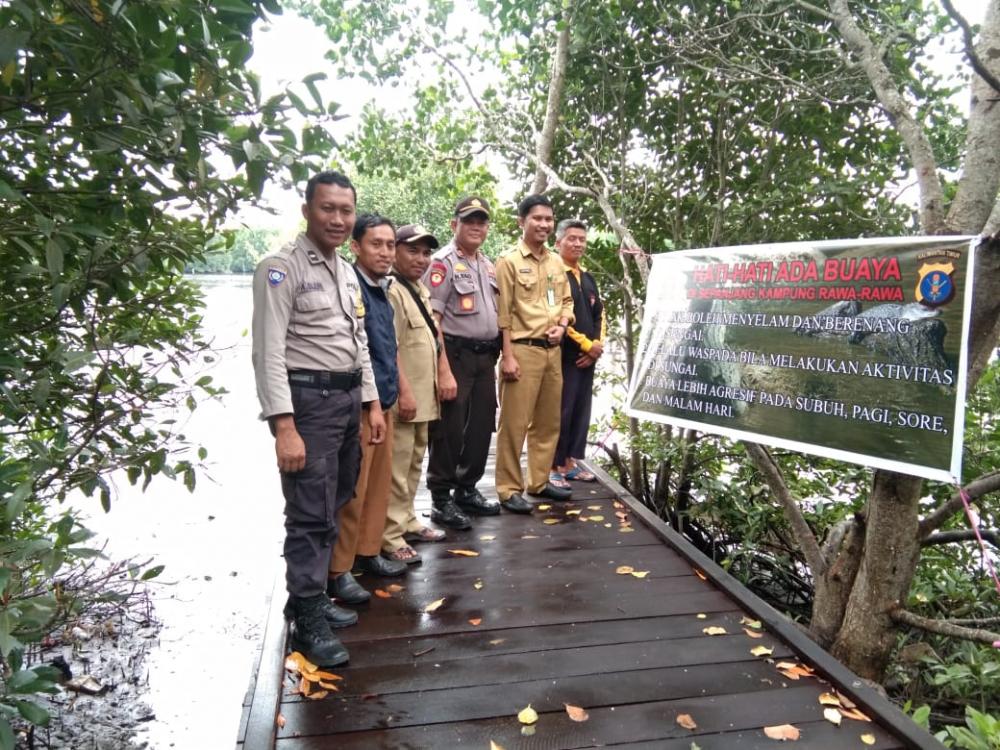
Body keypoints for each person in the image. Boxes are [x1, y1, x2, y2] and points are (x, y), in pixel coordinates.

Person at [251, 170, 382, 667]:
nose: (338, 218)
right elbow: (267, 354)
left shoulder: (345, 270)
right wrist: (284, 427)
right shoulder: (280, 268)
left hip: (347, 401)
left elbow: (359, 343)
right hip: (307, 404)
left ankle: (308, 595)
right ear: (307, 209)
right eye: (328, 208)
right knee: (309, 511)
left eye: (346, 210)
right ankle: (308, 619)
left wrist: (370, 403)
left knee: (337, 497)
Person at [327, 213, 408, 606]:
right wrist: (371, 404)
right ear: (355, 247)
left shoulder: (381, 288)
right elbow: (356, 353)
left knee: (378, 486)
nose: (386, 252)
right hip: (362, 405)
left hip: (384, 401)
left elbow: (387, 349)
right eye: (376, 244)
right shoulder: (350, 286)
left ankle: (368, 551)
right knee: (354, 490)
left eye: (390, 244)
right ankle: (338, 569)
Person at [421, 197, 502, 528]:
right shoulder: (441, 264)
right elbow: (433, 319)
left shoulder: (487, 265)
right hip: (454, 355)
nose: (476, 227)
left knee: (482, 426)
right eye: (470, 221)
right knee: (449, 429)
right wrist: (442, 369)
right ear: (454, 225)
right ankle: (441, 498)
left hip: (485, 357)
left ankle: (466, 489)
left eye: (482, 222)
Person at [494, 194, 575, 513]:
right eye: (537, 218)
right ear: (522, 221)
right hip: (522, 350)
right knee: (514, 423)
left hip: (552, 350)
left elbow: (566, 301)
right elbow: (503, 313)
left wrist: (564, 325)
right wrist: (508, 356)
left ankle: (539, 481)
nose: (543, 224)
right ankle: (508, 487)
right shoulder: (509, 261)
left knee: (548, 421)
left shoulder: (556, 261)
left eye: (548, 219)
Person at [382, 224, 449, 564]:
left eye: (425, 252)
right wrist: (404, 392)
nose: (421, 258)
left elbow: (432, 339)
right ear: (394, 250)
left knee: (413, 463)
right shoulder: (392, 290)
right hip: (406, 396)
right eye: (412, 250)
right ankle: (391, 535)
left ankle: (407, 519)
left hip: (426, 395)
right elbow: (390, 348)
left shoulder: (418, 289)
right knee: (396, 466)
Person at [551, 219, 604, 487]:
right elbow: (557, 315)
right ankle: (554, 465)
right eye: (571, 238)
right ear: (558, 242)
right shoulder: (554, 274)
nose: (578, 243)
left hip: (588, 359)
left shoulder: (587, 277)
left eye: (582, 239)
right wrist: (585, 345)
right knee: (561, 409)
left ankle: (571, 462)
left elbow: (600, 314)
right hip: (564, 354)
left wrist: (597, 347)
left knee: (581, 410)